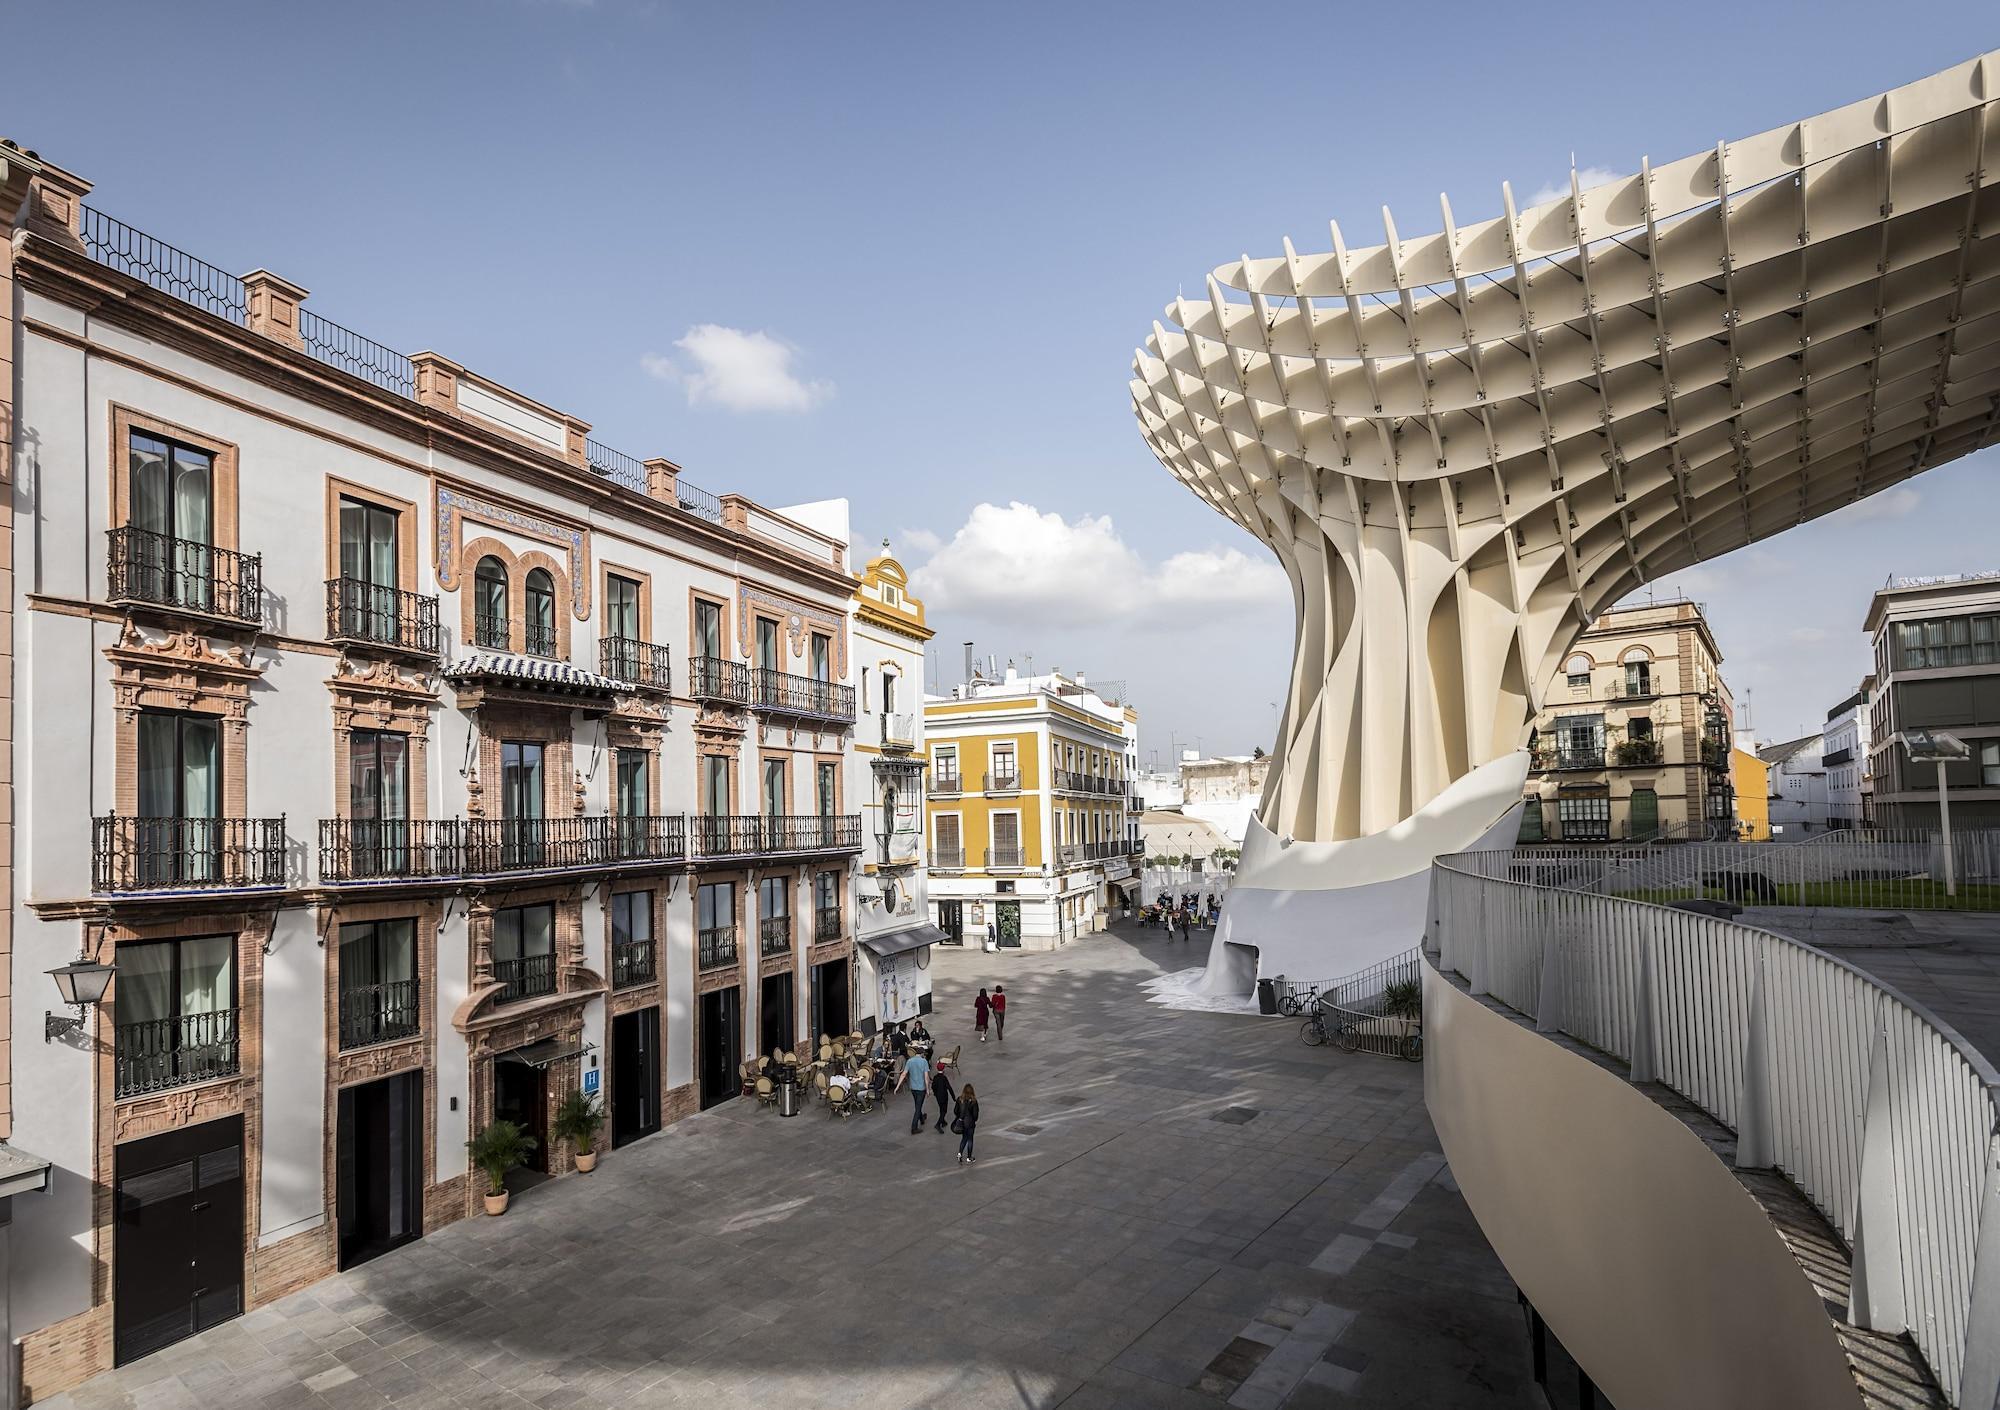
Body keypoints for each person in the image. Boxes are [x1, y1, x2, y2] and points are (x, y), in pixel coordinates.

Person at [893, 1046, 931, 1133]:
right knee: (918, 1107)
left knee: (918, 1104)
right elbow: (926, 1077)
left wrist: (897, 1086)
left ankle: (921, 1118)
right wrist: (928, 1089)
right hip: (921, 1088)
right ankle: (914, 1127)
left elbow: (903, 1074)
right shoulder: (924, 1061)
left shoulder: (910, 1061)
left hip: (913, 1088)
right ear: (922, 1054)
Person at [956, 1082, 980, 1164]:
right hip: (970, 1123)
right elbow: (975, 1114)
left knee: (964, 1138)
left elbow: (955, 1111)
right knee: (970, 1140)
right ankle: (969, 1157)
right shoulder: (973, 1101)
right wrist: (974, 1119)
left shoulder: (959, 1099)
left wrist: (960, 1117)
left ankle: (960, 1153)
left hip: (962, 1122)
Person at [930, 1060, 956, 1132]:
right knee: (944, 1111)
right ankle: (938, 1124)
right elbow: (949, 1088)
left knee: (941, 1109)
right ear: (943, 1069)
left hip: (938, 1097)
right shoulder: (944, 1078)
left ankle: (943, 1122)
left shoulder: (935, 1077)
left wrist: (935, 1093)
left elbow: (933, 1086)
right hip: (944, 1096)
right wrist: (954, 1097)